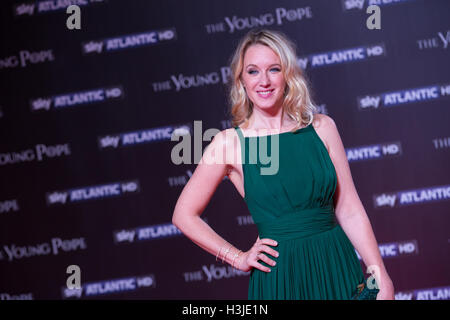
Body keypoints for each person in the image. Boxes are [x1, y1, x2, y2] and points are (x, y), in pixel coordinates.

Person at [172, 28, 395, 300]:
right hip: (281, 277)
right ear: (241, 79)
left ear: (287, 74)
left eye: (273, 69)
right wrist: (238, 258)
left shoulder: (322, 128)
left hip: (336, 265)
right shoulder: (229, 143)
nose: (263, 81)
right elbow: (183, 215)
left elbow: (349, 208)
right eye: (253, 71)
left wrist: (379, 273)